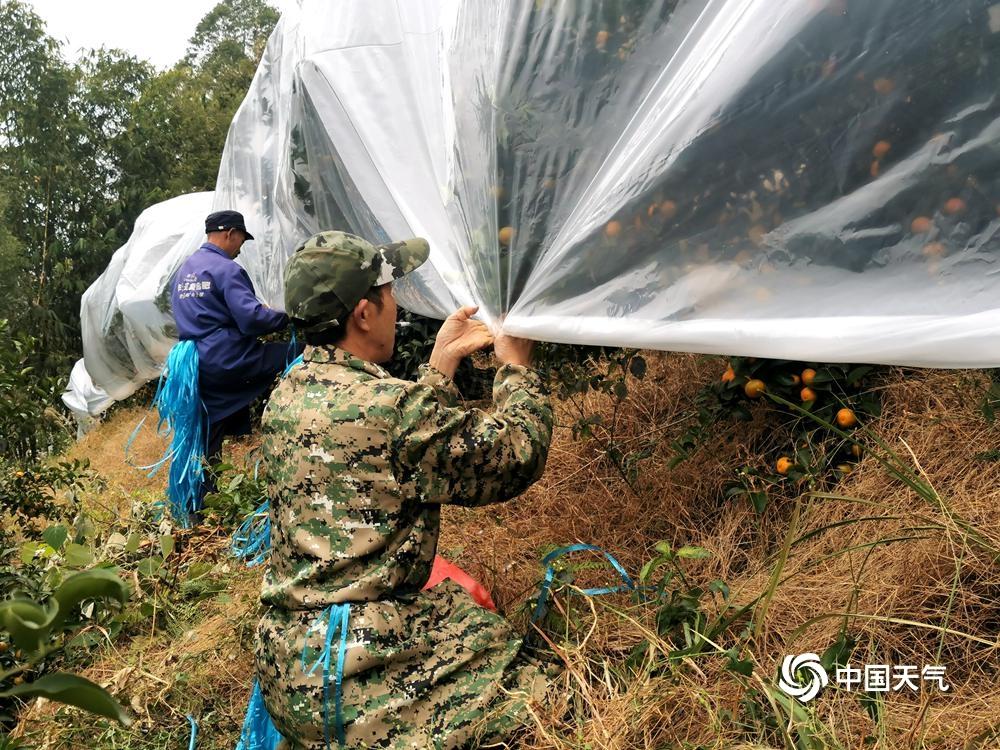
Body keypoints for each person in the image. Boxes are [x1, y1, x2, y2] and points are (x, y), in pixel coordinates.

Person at [255, 230, 556, 749]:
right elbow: (514, 455)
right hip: (354, 672)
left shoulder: (288, 394)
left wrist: (440, 365)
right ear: (364, 313)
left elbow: (379, 450)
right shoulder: (391, 410)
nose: (397, 305)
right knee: (544, 690)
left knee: (467, 621)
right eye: (390, 293)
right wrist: (516, 366)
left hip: (289, 664)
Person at [171, 210, 299, 500]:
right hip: (226, 358)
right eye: (241, 239)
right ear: (230, 233)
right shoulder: (226, 269)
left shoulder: (186, 269)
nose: (241, 248)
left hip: (193, 364)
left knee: (206, 431)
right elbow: (252, 320)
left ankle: (201, 500)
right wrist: (287, 317)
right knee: (299, 352)